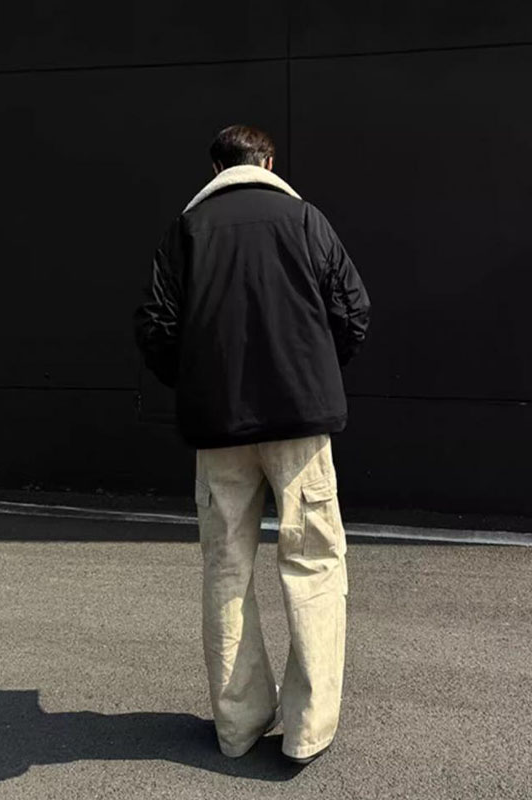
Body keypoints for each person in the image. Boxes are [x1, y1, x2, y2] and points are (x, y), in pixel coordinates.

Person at [133, 124, 371, 765]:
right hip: (299, 424)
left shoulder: (187, 228)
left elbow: (156, 326)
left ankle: (237, 728)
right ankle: (307, 730)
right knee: (314, 561)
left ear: (215, 166)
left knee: (226, 568)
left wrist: (198, 384)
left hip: (219, 431)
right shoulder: (303, 218)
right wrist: (315, 373)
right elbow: (353, 310)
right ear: (268, 161)